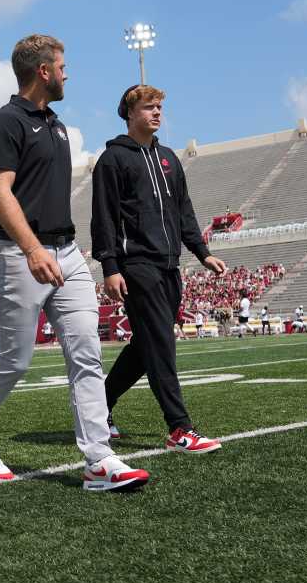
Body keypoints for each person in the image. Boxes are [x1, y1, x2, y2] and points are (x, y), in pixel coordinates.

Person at [0, 34, 146, 490]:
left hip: (67, 253)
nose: (68, 73)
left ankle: (99, 459)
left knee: (87, 354)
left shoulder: (58, 125)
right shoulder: (4, 123)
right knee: (13, 361)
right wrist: (32, 250)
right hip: (19, 254)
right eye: (62, 66)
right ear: (43, 71)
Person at [92, 84, 225, 453]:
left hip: (170, 265)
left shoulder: (169, 158)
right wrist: (110, 267)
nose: (157, 113)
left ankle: (98, 406)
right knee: (162, 345)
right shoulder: (112, 160)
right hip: (136, 265)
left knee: (147, 344)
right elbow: (103, 217)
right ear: (130, 113)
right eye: (149, 107)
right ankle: (179, 428)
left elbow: (185, 210)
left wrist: (202, 252)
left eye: (160, 107)